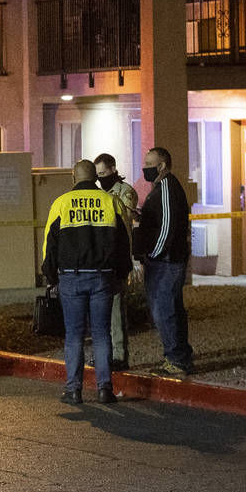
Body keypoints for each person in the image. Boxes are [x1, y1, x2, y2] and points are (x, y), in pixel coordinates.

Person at [41, 160, 132, 405]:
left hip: (71, 277)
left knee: (74, 335)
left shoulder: (61, 203)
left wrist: (50, 277)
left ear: (74, 177)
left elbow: (50, 244)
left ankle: (74, 390)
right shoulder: (110, 202)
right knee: (102, 333)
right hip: (102, 276)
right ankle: (104, 389)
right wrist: (123, 274)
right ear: (95, 178)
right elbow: (123, 243)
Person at [135, 146, 194, 376]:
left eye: (149, 163)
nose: (145, 168)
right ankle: (180, 355)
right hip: (165, 259)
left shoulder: (167, 187)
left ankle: (176, 360)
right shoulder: (159, 188)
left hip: (167, 261)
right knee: (171, 308)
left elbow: (167, 227)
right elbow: (161, 219)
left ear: (162, 166)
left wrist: (153, 254)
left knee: (163, 310)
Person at [94, 153, 139, 370]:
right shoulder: (100, 193)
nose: (100, 178)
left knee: (115, 311)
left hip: (118, 257)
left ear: (113, 169)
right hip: (102, 258)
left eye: (103, 173)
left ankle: (120, 356)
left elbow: (123, 219)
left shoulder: (125, 192)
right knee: (102, 311)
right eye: (97, 175)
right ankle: (105, 354)